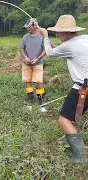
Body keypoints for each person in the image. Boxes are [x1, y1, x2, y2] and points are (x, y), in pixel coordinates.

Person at [38, 14, 88, 163]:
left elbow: (52, 54)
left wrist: (45, 36)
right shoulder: (84, 39)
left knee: (64, 120)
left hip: (83, 88)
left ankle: (79, 157)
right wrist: (55, 45)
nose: (57, 35)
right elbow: (68, 51)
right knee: (74, 116)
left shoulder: (70, 45)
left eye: (58, 32)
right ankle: (71, 139)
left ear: (67, 33)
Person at [20, 18, 47, 112]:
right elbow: (22, 49)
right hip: (27, 63)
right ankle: (31, 101)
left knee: (39, 82)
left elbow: (45, 50)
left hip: (38, 63)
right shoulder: (25, 37)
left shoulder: (42, 36)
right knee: (28, 81)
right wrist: (25, 57)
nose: (27, 29)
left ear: (34, 26)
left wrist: (37, 58)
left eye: (29, 27)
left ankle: (42, 102)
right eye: (26, 27)